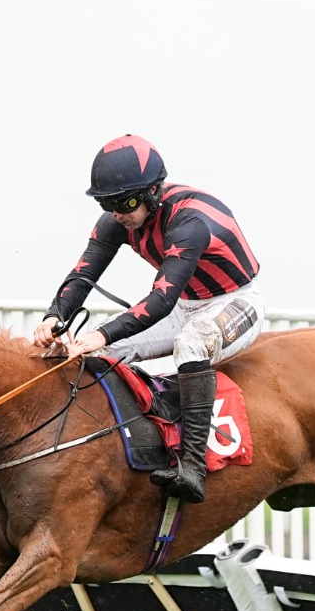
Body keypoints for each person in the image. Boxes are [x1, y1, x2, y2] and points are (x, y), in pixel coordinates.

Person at [33, 135, 264, 503]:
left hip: (233, 302)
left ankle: (192, 466)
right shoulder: (116, 221)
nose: (118, 214)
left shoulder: (189, 221)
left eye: (126, 202)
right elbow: (83, 274)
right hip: (184, 305)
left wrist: (103, 333)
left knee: (189, 343)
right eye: (107, 203)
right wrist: (54, 317)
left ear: (153, 191)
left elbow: (160, 298)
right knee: (94, 353)